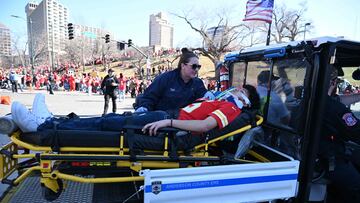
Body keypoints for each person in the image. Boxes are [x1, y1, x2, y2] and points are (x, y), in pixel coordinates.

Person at [11, 85, 260, 139]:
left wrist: (167, 122)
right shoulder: (220, 99)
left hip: (167, 122)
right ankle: (49, 121)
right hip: (165, 115)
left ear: (245, 101)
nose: (235, 90)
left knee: (106, 125)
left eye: (241, 91)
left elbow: (206, 126)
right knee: (108, 119)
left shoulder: (232, 107)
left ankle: (42, 126)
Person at [135, 48, 214, 118]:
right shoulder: (165, 78)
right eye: (194, 66)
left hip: (184, 123)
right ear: (183, 66)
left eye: (198, 66)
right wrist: (144, 107)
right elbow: (149, 96)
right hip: (162, 123)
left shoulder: (197, 83)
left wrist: (207, 95)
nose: (196, 69)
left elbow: (202, 100)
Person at [318, 73, 360, 203]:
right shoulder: (336, 108)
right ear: (332, 83)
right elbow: (356, 132)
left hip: (315, 156)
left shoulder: (311, 99)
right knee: (357, 185)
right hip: (329, 160)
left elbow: (339, 100)